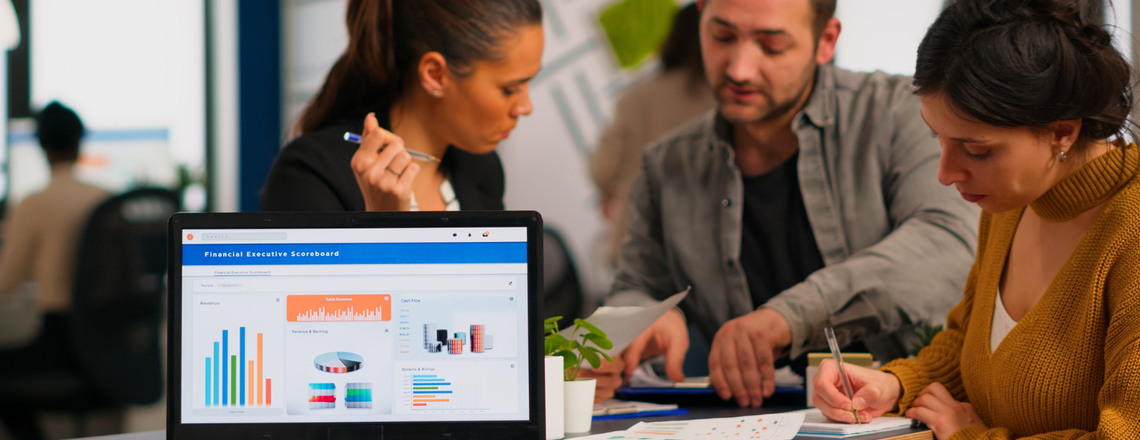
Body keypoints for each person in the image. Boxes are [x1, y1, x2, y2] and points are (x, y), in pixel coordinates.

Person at [589, 0, 980, 406]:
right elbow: (634, 286)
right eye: (721, 36)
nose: (739, 68)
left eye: (771, 46)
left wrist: (787, 317)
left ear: (825, 40)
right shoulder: (667, 165)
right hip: (747, 421)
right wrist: (640, 319)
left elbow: (948, 241)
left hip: (902, 412)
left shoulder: (899, 113)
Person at [813, 0, 1140, 438]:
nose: (946, 174)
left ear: (1062, 131)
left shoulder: (1129, 233)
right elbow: (970, 344)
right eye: (939, 140)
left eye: (978, 151)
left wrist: (969, 436)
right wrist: (894, 384)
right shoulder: (1012, 202)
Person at [261, 0, 543, 212]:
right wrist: (385, 226)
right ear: (435, 75)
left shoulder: (481, 170)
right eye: (510, 89)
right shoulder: (310, 176)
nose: (526, 107)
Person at [0, 102, 110, 440]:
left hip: (61, 344)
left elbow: (7, 283)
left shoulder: (33, 201)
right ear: (80, 143)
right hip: (109, 349)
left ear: (41, 147)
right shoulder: (106, 198)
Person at [589, 2, 716, 267]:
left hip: (637, 243)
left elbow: (602, 170)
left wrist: (610, 190)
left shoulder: (637, 96)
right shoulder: (727, 98)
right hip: (708, 245)